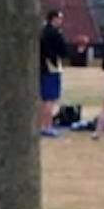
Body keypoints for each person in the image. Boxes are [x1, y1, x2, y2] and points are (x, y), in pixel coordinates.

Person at [39, 10, 68, 138]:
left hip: (42, 68)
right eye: (59, 19)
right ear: (54, 19)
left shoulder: (41, 32)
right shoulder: (54, 34)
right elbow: (62, 50)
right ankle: (47, 126)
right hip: (51, 68)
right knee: (50, 99)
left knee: (44, 99)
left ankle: (41, 125)